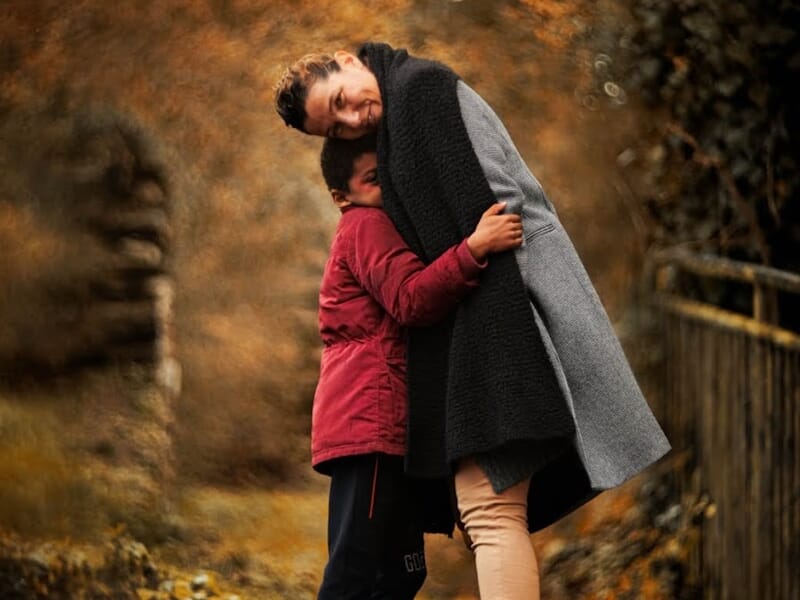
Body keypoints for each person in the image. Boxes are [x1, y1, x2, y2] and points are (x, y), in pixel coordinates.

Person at [275, 44, 671, 599]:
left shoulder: (421, 91)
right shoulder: (396, 131)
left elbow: (497, 206)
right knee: (480, 516)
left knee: (485, 513)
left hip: (503, 323)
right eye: (335, 129)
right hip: (474, 336)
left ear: (347, 59)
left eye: (342, 100)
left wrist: (477, 262)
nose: (352, 119)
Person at [312, 133, 523, 599]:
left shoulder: (382, 222)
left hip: (389, 429)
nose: (384, 187)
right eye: (371, 180)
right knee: (355, 570)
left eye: (386, 174)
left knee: (404, 571)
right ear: (341, 196)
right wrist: (474, 249)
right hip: (367, 426)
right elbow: (410, 298)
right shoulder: (364, 224)